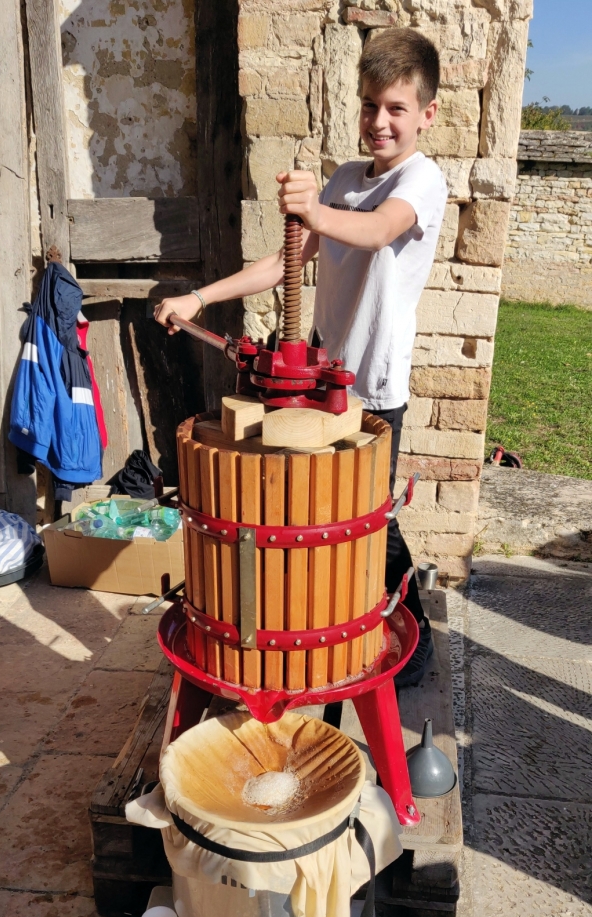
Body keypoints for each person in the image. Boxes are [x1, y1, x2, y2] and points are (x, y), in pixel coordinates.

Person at [155, 27, 447, 688]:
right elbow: (279, 263)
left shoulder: (423, 180)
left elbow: (377, 231)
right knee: (298, 504)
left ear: (426, 114)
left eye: (397, 108)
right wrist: (200, 297)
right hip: (316, 371)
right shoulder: (346, 178)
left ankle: (415, 636)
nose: (380, 121)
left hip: (371, 382)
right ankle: (301, 624)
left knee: (372, 521)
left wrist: (314, 211)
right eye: (371, 105)